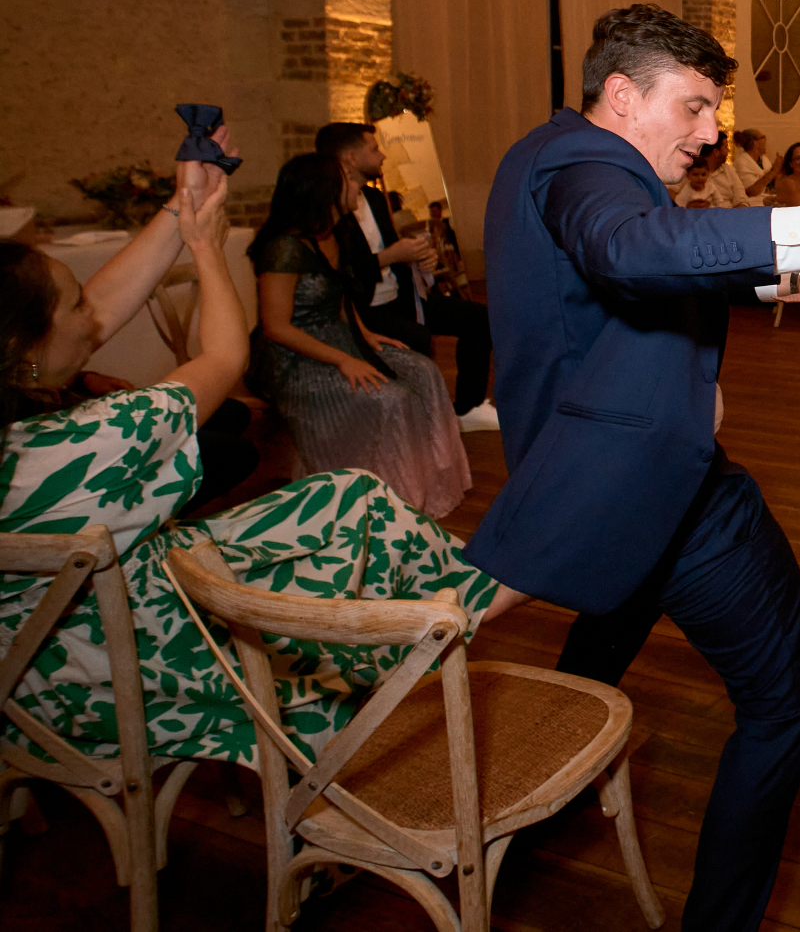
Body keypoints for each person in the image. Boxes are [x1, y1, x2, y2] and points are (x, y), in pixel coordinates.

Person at [472, 4, 800, 932]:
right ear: (623, 95)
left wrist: (787, 276)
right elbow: (629, 250)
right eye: (693, 107)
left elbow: (631, 277)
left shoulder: (543, 149)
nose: (708, 132)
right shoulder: (587, 165)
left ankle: (507, 823)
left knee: (590, 662)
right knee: (789, 693)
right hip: (663, 484)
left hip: (592, 476)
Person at [0, 141, 525, 771]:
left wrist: (182, 203)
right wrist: (204, 245)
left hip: (33, 680)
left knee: (340, 495)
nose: (95, 315)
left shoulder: (23, 435)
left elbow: (95, 313)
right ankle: (462, 606)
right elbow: (225, 357)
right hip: (139, 667)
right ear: (25, 347)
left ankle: (435, 610)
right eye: (76, 303)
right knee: (353, 510)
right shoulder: (95, 438)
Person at [248, 153, 471, 517]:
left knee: (424, 371)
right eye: (348, 180)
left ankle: (427, 483)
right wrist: (345, 360)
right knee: (390, 397)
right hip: (294, 357)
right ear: (325, 191)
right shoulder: (283, 248)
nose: (357, 186)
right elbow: (276, 327)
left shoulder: (335, 233)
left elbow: (339, 295)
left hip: (340, 337)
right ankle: (386, 500)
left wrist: (365, 335)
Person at [317, 122, 499, 432]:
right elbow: (339, 275)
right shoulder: (329, 209)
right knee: (417, 337)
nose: (382, 155)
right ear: (351, 157)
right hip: (364, 309)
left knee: (479, 318)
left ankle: (467, 408)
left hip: (400, 296)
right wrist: (391, 256)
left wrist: (419, 260)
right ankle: (417, 419)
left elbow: (393, 254)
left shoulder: (376, 199)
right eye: (374, 149)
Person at [732, 128, 781, 201]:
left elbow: (773, 183)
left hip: (768, 199)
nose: (765, 140)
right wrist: (773, 171)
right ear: (756, 143)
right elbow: (751, 192)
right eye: (763, 137)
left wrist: (780, 169)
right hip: (752, 202)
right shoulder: (742, 163)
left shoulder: (764, 160)